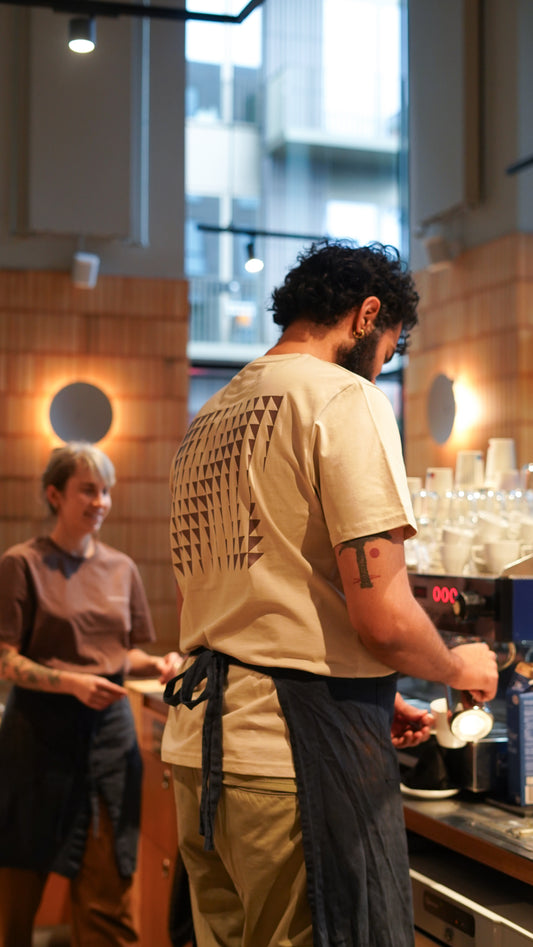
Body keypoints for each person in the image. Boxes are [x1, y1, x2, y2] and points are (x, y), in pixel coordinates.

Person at [161, 241, 499, 947]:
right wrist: (455, 666)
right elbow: (382, 615)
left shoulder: (211, 415)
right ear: (366, 313)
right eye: (390, 346)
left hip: (199, 753)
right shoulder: (343, 397)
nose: (383, 363)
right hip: (288, 763)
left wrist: (368, 690)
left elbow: (265, 597)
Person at [0, 442, 182, 947]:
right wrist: (72, 682)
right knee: (17, 888)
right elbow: (4, 658)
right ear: (54, 495)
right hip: (37, 739)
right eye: (88, 490)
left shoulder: (121, 568)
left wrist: (161, 662)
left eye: (106, 491)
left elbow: (116, 655)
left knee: (110, 889)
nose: (100, 501)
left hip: (108, 741)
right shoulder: (22, 564)